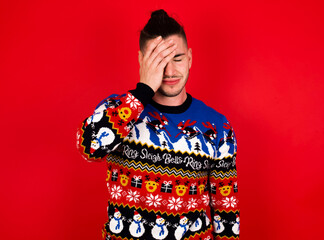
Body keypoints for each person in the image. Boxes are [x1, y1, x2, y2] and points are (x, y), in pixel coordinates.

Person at [76, 9, 240, 240]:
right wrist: (142, 92)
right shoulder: (118, 109)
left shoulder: (217, 127)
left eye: (178, 58)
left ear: (190, 58)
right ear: (142, 60)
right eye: (159, 61)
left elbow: (226, 210)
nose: (170, 71)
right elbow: (89, 149)